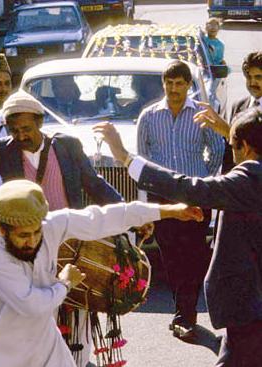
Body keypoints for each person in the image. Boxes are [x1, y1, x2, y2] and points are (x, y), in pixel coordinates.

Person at [93, 106, 262, 367]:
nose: (234, 157)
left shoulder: (251, 177)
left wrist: (126, 158)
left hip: (249, 305)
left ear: (247, 147)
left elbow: (188, 187)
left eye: (233, 148)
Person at [0, 178, 204, 367]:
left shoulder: (50, 225)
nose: (32, 241)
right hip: (6, 356)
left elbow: (102, 217)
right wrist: (64, 283)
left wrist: (170, 211)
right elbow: (32, 304)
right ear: (2, 229)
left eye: (36, 232)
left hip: (48, 348)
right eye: (23, 236)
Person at [0, 90, 123, 366]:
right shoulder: (5, 150)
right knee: (39, 312)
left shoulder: (67, 146)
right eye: (13, 130)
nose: (20, 136)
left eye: (26, 128)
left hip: (71, 244)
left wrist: (126, 215)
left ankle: (78, 360)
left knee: (77, 311)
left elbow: (95, 185)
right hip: (28, 248)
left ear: (40, 121)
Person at [135, 59, 225, 339]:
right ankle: (181, 310)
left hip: (196, 193)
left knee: (195, 255)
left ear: (188, 85)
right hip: (163, 198)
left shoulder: (200, 114)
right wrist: (149, 199)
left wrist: (203, 180)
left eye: (180, 84)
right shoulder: (149, 116)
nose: (174, 89)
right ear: (164, 85)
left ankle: (186, 314)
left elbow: (218, 150)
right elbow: (142, 159)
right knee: (171, 256)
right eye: (169, 83)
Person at [194, 51, 262, 172]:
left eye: (258, 77)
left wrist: (228, 131)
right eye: (248, 77)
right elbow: (231, 153)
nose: (252, 83)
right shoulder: (239, 106)